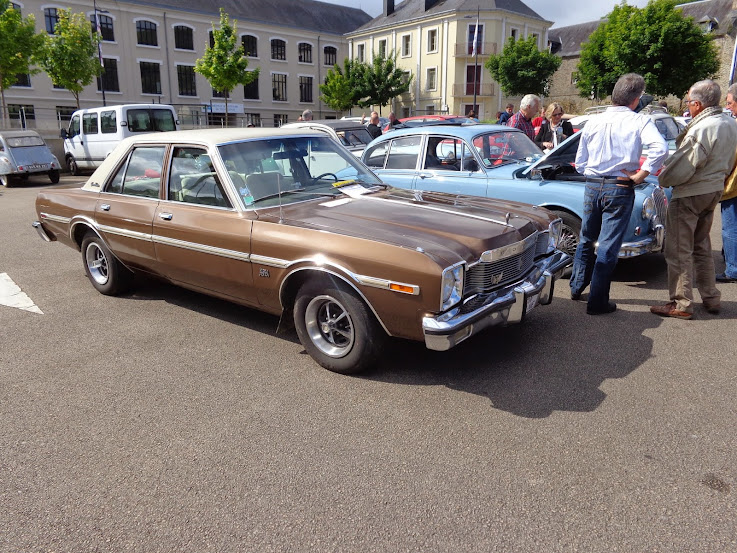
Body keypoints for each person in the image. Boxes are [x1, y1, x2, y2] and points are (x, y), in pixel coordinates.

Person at [570, 73, 667, 315]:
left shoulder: (593, 121)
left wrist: (594, 173)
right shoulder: (639, 121)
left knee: (586, 237)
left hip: (593, 184)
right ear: (636, 99)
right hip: (620, 186)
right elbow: (661, 148)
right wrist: (641, 175)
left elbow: (580, 162)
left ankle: (576, 286)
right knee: (608, 245)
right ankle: (597, 301)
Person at [651, 80, 737, 319]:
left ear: (697, 104)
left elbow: (685, 165)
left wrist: (664, 177)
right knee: (701, 246)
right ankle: (711, 297)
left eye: (688, 101)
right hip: (713, 189)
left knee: (679, 250)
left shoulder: (703, 128)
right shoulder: (730, 122)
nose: (687, 105)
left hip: (691, 192)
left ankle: (682, 303)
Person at [720, 83, 737, 283]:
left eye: (731, 104)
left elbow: (729, 158)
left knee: (731, 228)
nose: (729, 108)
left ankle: (732, 269)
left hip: (734, 186)